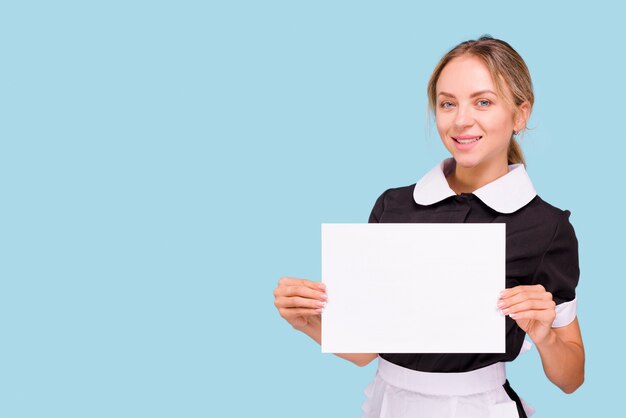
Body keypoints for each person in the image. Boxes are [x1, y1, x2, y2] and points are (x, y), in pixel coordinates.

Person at [273, 36, 584, 417]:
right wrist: (307, 321)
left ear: (520, 114)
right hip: (388, 405)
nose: (461, 120)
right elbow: (365, 350)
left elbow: (571, 377)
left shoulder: (546, 227)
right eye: (447, 103)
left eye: (483, 102)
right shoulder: (394, 206)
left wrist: (544, 335)